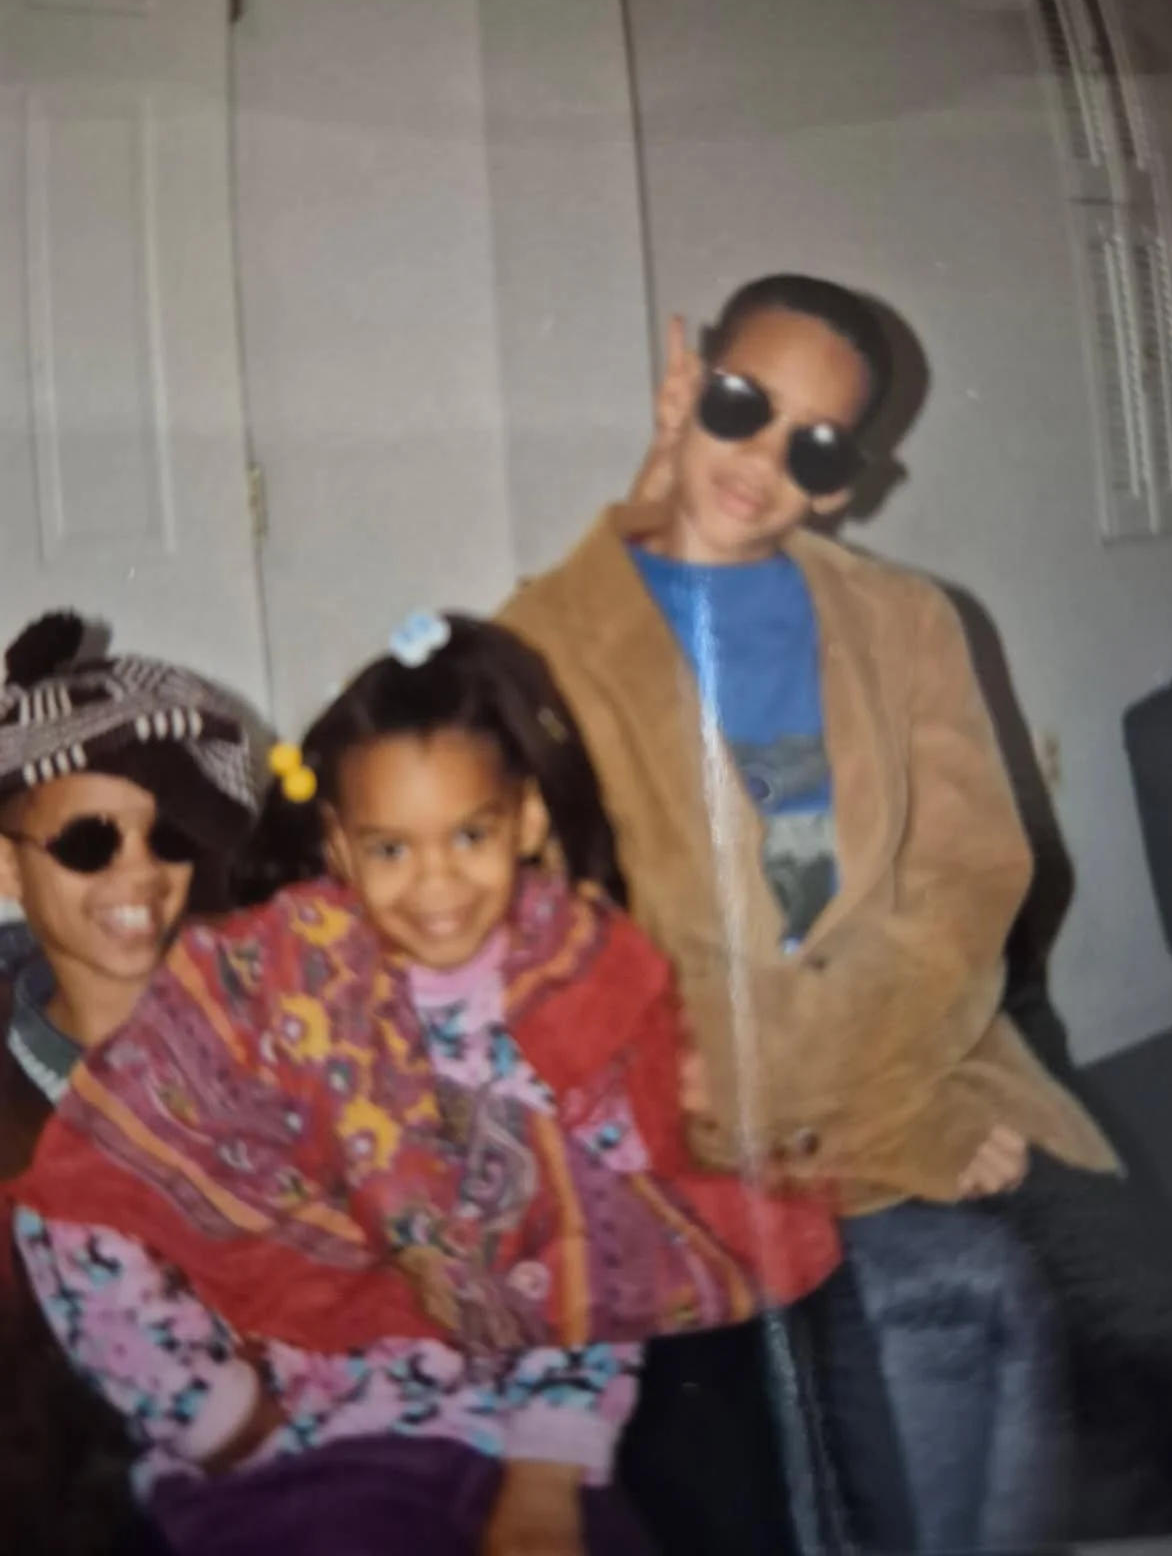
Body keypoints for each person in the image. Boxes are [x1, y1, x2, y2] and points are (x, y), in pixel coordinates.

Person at [498, 274, 1120, 1551]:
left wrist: (901, 1106)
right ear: (685, 392)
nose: (764, 460)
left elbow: (970, 883)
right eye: (743, 407)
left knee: (1068, 1316)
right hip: (667, 1125)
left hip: (888, 1070)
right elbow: (535, 934)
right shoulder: (546, 642)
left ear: (843, 484)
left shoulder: (906, 622)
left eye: (815, 445)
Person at [12, 612, 840, 1556]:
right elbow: (77, 1207)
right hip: (306, 1452)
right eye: (392, 849)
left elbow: (604, 1258)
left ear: (527, 820)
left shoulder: (584, 997)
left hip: (527, 1446)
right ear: (338, 844)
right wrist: (216, 1415)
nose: (435, 884)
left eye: (469, 835)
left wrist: (545, 1472)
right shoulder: (266, 987)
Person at [0, 609, 263, 1556]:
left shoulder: (274, 1039)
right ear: (7, 865)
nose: (140, 874)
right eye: (88, 842)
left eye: (169, 837)